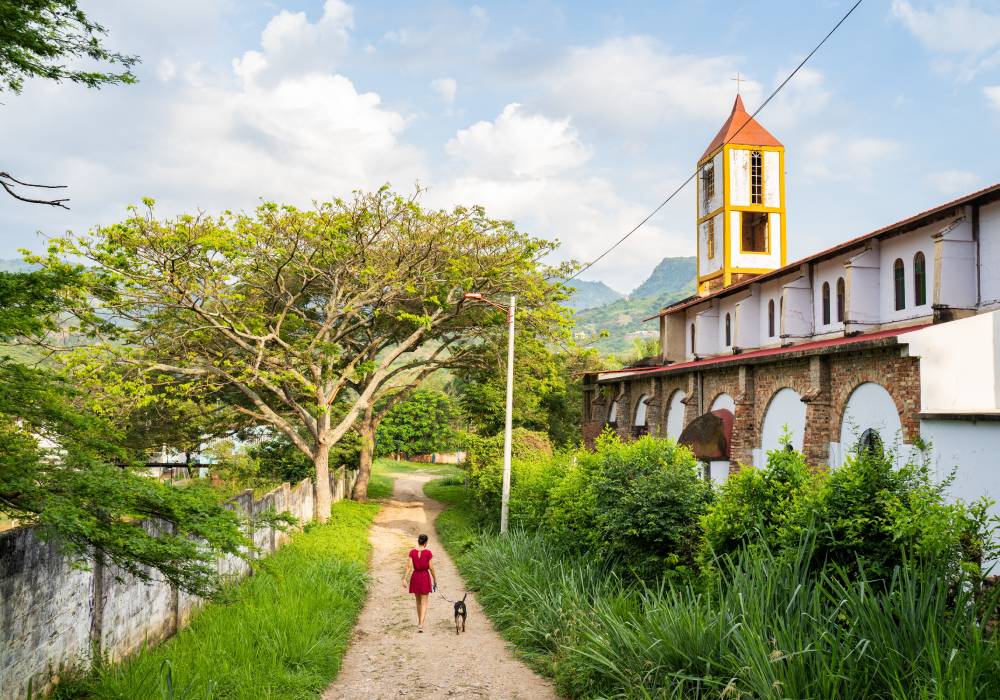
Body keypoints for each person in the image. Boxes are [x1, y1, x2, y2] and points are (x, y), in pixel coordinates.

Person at [403, 533, 437, 632]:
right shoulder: (428, 553)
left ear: (418, 541)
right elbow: (431, 568)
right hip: (424, 577)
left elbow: (409, 567)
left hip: (415, 577)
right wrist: (435, 579)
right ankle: (421, 624)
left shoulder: (412, 552)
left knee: (418, 601)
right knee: (424, 602)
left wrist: (405, 578)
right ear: (426, 543)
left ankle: (419, 622)